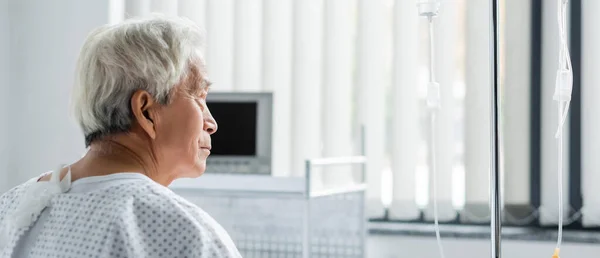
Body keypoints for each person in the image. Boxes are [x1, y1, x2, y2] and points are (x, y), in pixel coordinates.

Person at [0, 15, 241, 258]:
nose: (211, 124)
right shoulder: (188, 235)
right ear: (146, 111)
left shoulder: (10, 207)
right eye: (199, 96)